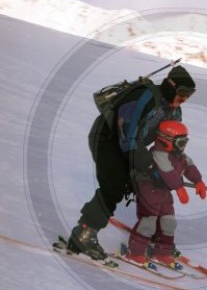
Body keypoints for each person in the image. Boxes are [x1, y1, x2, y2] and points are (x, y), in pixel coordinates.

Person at [67, 65, 196, 260]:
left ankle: (151, 232)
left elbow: (167, 145)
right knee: (115, 185)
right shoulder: (145, 96)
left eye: (190, 94)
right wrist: (148, 164)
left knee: (149, 183)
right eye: (183, 92)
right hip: (107, 138)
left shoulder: (174, 112)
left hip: (132, 147)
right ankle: (84, 233)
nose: (185, 98)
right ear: (171, 86)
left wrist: (166, 169)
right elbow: (128, 135)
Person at [126, 119, 207, 266]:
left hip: (164, 194)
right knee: (148, 222)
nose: (183, 147)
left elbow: (189, 165)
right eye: (180, 142)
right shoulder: (159, 153)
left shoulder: (179, 155)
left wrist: (198, 181)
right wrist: (179, 188)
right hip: (149, 192)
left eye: (185, 142)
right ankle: (135, 252)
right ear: (167, 140)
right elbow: (167, 172)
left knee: (169, 223)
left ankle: (162, 253)